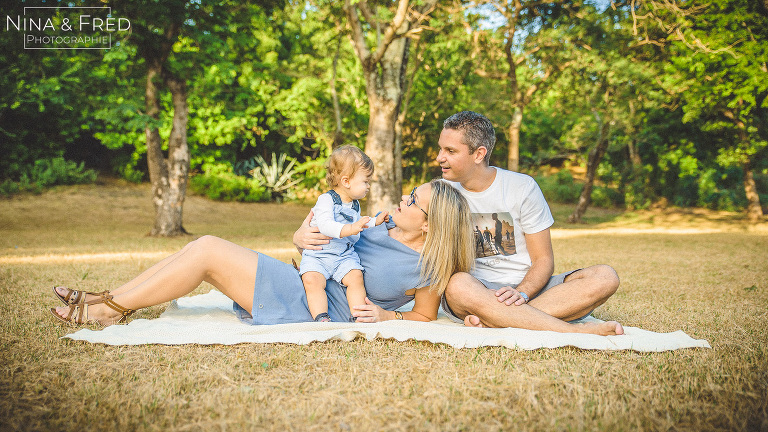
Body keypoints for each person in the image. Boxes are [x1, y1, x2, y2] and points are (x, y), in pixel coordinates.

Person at [50, 180, 476, 327]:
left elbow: (424, 317)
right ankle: (104, 301)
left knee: (209, 249)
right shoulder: (378, 222)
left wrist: (386, 316)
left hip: (317, 308)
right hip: (303, 280)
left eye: (412, 200)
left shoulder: (429, 266)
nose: (402, 199)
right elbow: (317, 233)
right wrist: (301, 234)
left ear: (430, 224)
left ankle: (109, 309)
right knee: (198, 247)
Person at [436, 110, 623, 334]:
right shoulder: (440, 192)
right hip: (478, 291)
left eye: (450, 151)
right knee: (457, 286)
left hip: (530, 291)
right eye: (441, 148)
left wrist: (523, 293)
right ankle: (568, 330)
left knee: (605, 276)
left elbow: (543, 259)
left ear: (479, 154)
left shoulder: (522, 187)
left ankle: (495, 321)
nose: (440, 157)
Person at [300, 145, 387, 322]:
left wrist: (374, 221)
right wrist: (350, 229)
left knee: (356, 276)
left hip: (343, 256)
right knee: (312, 280)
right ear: (346, 181)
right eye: (365, 181)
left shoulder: (354, 204)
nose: (368, 186)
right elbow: (325, 225)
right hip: (319, 255)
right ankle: (321, 317)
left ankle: (358, 315)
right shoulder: (326, 200)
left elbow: (358, 222)